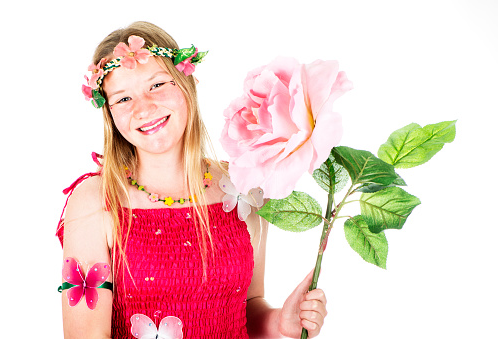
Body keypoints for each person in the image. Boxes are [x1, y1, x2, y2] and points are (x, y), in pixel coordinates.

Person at [57, 21, 327, 339]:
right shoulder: (95, 202)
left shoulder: (241, 187)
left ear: (186, 82)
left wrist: (281, 321)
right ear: (111, 114)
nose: (144, 107)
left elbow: (248, 307)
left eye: (157, 85)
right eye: (123, 99)